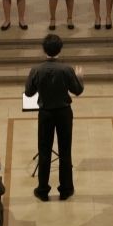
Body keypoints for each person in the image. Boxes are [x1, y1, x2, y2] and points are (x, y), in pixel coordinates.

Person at [24, 34, 84, 201]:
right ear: (60, 49)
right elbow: (77, 91)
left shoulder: (36, 70)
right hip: (64, 113)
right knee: (65, 151)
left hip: (45, 114)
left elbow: (28, 92)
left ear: (44, 50)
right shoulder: (66, 69)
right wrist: (80, 78)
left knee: (44, 151)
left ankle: (43, 190)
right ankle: (66, 189)